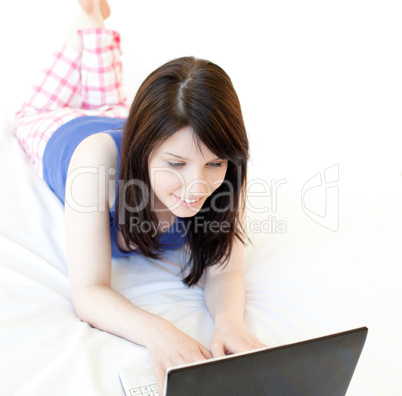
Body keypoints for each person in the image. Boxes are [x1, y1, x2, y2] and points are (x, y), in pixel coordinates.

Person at [14, 0, 266, 392]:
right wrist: (159, 333)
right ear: (143, 149)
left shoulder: (223, 164)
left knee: (110, 101)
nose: (197, 187)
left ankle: (95, 24)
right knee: (29, 112)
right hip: (57, 127)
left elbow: (226, 269)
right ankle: (89, 20)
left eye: (213, 165)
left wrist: (230, 324)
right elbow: (89, 290)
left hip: (121, 117)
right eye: (177, 165)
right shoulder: (95, 163)